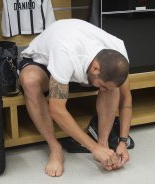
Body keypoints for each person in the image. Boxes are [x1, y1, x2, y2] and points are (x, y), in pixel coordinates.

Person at [18, 19, 132, 177]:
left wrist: (122, 142)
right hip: (44, 63)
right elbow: (56, 109)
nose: (104, 90)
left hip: (80, 71)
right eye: (103, 86)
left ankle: (103, 142)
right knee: (30, 82)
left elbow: (126, 100)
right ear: (96, 68)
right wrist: (93, 148)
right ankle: (55, 148)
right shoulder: (66, 51)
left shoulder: (118, 53)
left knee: (112, 89)